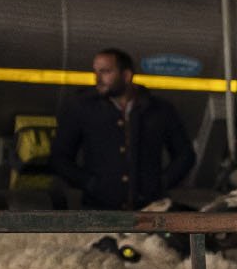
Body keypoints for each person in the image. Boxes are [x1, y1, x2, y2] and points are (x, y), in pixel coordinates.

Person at [49, 48, 197, 210]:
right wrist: (91, 184)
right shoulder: (82, 109)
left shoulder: (160, 110)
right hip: (100, 210)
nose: (98, 78)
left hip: (148, 210)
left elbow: (185, 155)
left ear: (126, 75)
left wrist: (161, 183)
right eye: (96, 72)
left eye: (105, 72)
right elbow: (60, 157)